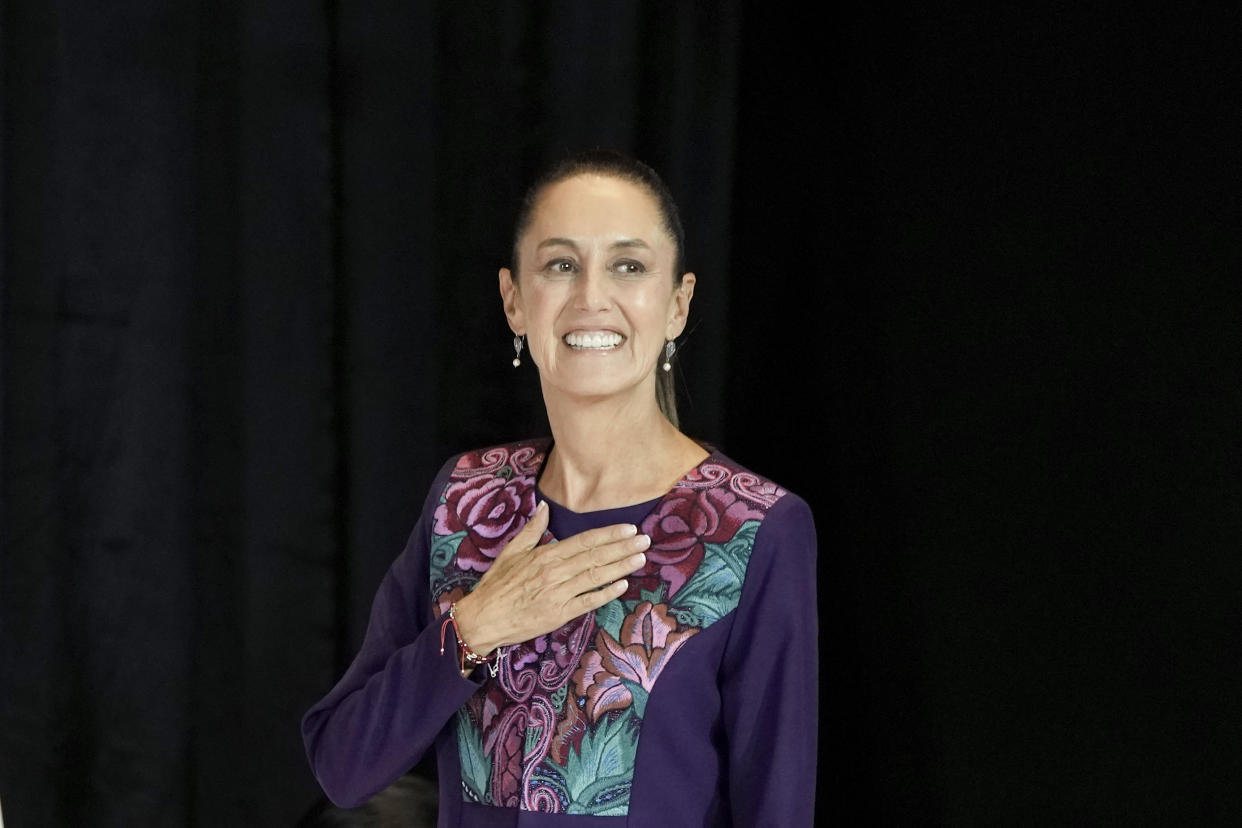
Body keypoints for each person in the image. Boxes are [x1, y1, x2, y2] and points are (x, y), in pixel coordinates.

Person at [301, 149, 818, 826]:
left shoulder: (753, 529)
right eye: (560, 264)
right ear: (515, 301)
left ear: (677, 305)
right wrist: (478, 627)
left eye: (628, 266)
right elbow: (343, 767)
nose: (591, 297)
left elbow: (775, 806)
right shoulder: (466, 501)